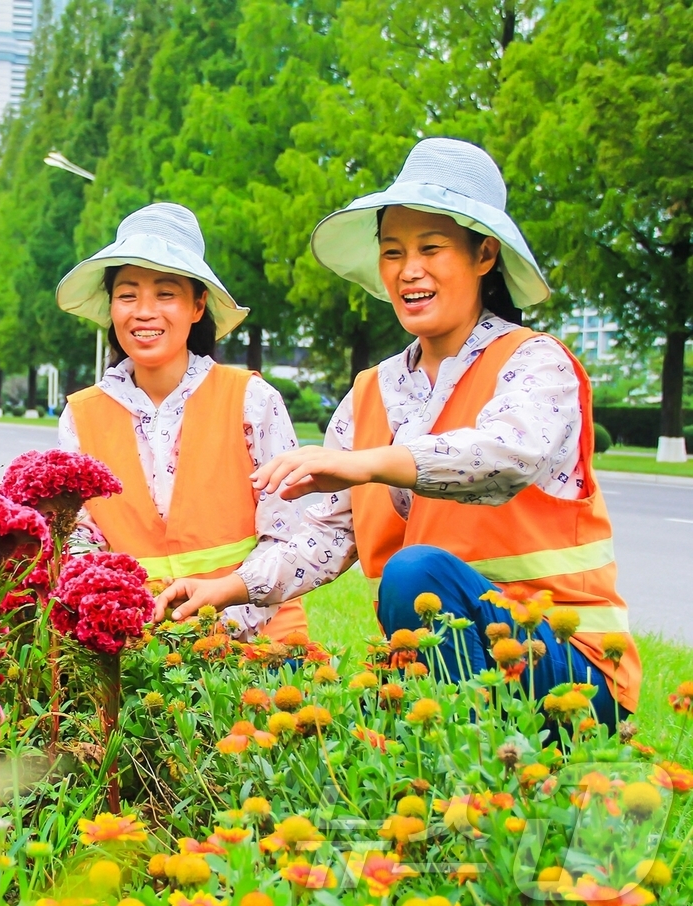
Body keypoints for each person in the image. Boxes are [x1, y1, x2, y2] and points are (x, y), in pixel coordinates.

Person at [155, 138, 640, 720]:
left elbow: (507, 455)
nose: (409, 272)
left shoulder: (536, 363)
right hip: (438, 661)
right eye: (392, 253)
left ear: (484, 255)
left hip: (569, 668)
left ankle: (475, 772)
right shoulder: (370, 395)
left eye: (431, 249)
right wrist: (227, 588)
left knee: (416, 574)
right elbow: (323, 536)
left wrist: (369, 462)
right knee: (295, 690)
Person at [56, 202, 310, 642]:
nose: (144, 311)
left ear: (198, 306)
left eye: (166, 294)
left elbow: (286, 536)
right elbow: (80, 539)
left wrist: (214, 628)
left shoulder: (251, 399)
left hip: (258, 642)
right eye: (128, 294)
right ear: (111, 306)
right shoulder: (81, 416)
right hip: (138, 648)